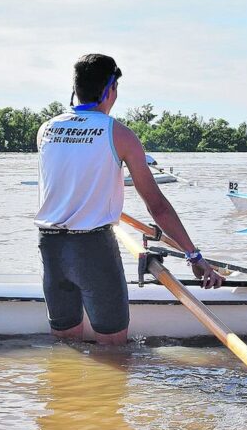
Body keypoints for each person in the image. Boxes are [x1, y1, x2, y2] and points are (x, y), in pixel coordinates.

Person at [35, 53, 223, 345]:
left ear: (75, 89)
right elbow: (156, 205)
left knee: (65, 345)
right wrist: (194, 256)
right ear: (110, 90)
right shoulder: (119, 134)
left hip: (50, 248)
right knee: (114, 350)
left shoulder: (46, 129)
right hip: (92, 249)